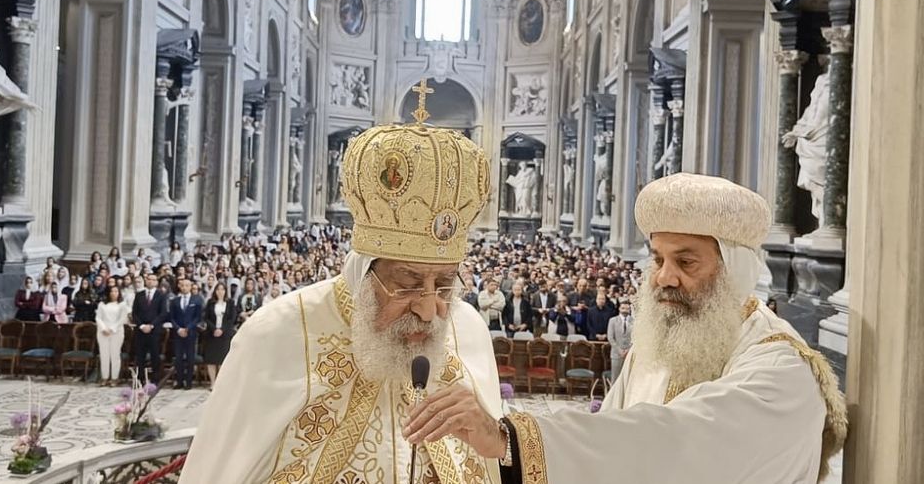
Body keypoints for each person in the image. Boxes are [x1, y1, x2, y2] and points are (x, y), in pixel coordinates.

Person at [405, 173, 847, 484]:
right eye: (657, 259)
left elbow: (671, 440)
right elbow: (613, 442)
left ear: (736, 270)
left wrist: (508, 437)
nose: (664, 277)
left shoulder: (780, 368)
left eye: (686, 261)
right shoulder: (662, 345)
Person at [181, 115, 501, 483]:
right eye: (408, 283)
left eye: (444, 284)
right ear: (364, 273)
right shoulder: (277, 334)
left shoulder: (468, 329)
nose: (430, 310)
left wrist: (494, 433)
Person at [132, 274, 167, 384]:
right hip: (141, 330)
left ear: (156, 282)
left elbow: (162, 313)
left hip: (154, 330)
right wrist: (141, 325)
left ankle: (155, 379)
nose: (151, 281)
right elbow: (134, 313)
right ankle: (140, 379)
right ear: (146, 281)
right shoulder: (139, 295)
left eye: (153, 279)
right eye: (149, 279)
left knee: (154, 355)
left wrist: (151, 325)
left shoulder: (161, 295)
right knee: (140, 355)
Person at [169, 278, 203, 390]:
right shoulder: (175, 301)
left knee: (190, 358)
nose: (184, 287)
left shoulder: (196, 300)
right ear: (180, 286)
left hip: (191, 332)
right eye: (182, 285)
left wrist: (188, 328)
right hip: (178, 333)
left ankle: (188, 382)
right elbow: (172, 317)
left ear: (190, 287)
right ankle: (179, 381)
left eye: (187, 285)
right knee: (178, 358)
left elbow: (198, 317)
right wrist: (178, 329)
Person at [202, 283, 237, 384]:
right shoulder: (210, 302)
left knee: (223, 360)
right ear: (215, 291)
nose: (220, 292)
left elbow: (231, 318)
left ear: (226, 291)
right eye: (218, 289)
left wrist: (222, 329)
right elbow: (206, 318)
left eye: (222, 289)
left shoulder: (230, 303)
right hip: (212, 334)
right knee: (211, 360)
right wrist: (214, 329)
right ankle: (213, 382)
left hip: (224, 335)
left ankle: (220, 383)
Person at [96, 286, 128, 387]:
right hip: (103, 332)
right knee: (104, 355)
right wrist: (104, 328)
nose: (114, 293)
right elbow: (98, 318)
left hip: (116, 332)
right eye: (112, 291)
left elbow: (122, 319)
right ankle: (105, 377)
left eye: (116, 291)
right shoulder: (102, 304)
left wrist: (112, 328)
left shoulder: (122, 305)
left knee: (115, 355)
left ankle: (114, 378)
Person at [607, 300, 633, 382]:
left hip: (629, 354)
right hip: (616, 353)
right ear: (619, 309)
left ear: (630, 310)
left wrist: (628, 350)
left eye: (627, 308)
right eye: (623, 308)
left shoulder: (634, 321)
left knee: (628, 379)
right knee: (615, 379)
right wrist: (619, 350)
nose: (625, 310)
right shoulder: (613, 320)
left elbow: (635, 338)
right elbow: (610, 337)